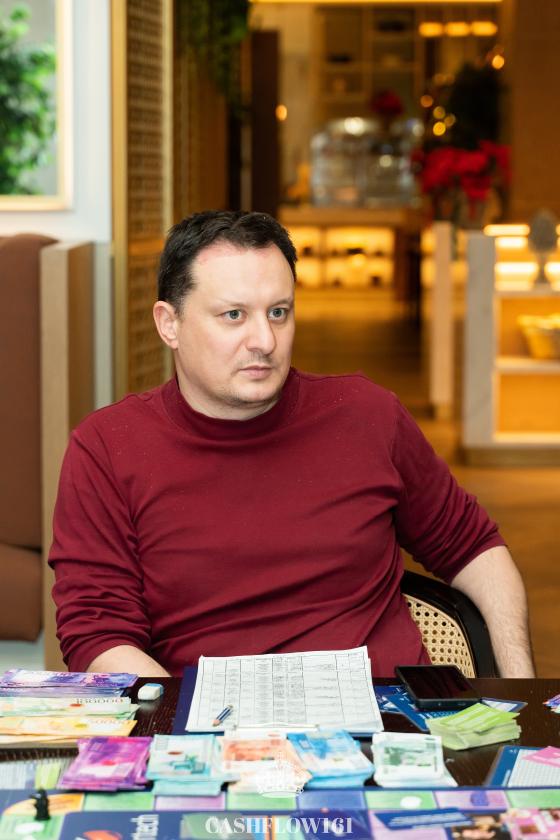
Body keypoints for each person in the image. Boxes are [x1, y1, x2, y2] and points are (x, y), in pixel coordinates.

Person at [49, 210, 535, 679]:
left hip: (386, 717)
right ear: (168, 324)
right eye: (234, 315)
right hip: (208, 722)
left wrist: (523, 690)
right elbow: (98, 634)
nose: (264, 340)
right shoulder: (108, 447)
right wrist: (187, 719)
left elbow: (475, 550)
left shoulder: (367, 414)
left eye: (278, 312)